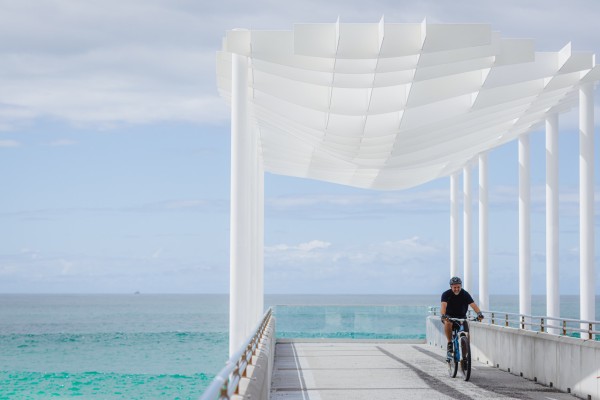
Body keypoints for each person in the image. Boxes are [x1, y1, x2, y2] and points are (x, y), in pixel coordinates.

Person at [440, 276, 484, 360]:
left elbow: (473, 305)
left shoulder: (465, 294)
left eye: (458, 287)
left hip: (461, 317)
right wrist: (443, 315)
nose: (456, 289)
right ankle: (450, 344)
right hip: (448, 316)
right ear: (451, 287)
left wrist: (479, 313)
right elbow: (443, 306)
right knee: (448, 323)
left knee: (466, 337)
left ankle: (464, 357)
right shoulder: (446, 294)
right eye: (454, 287)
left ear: (461, 286)